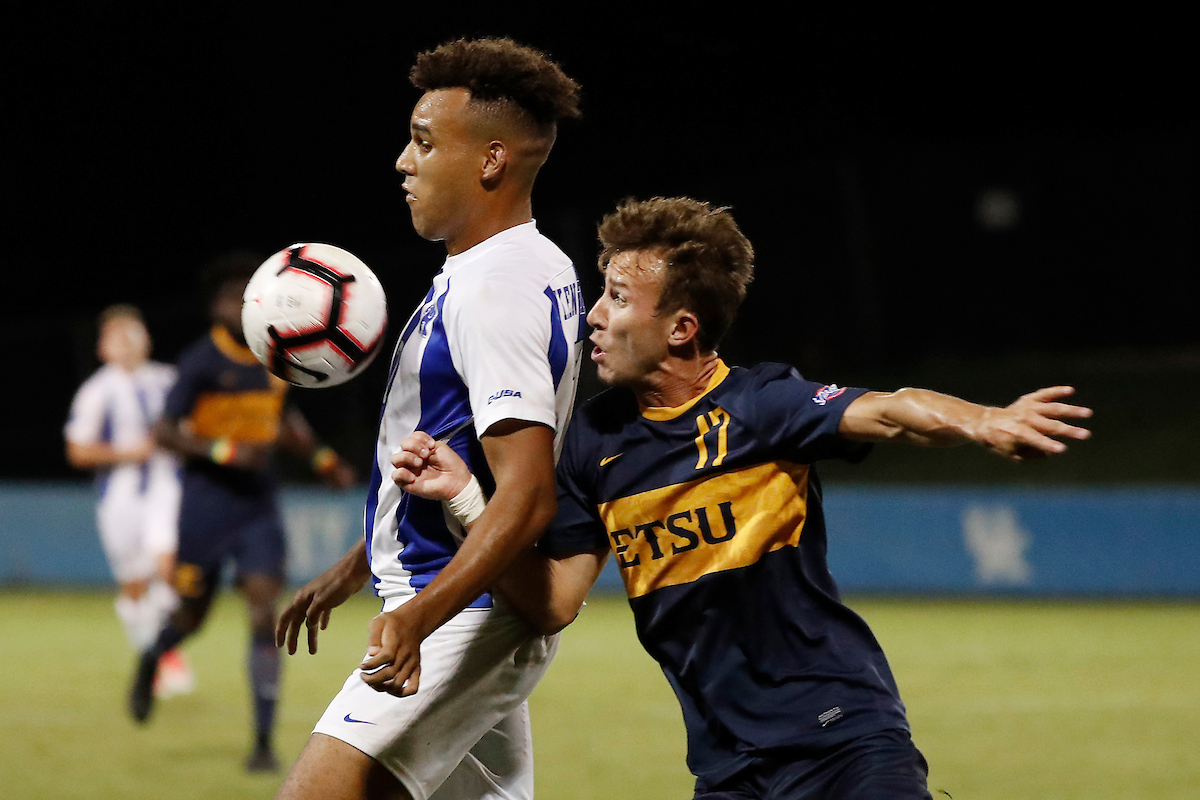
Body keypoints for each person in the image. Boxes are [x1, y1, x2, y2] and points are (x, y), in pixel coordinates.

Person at [392, 196, 1094, 800]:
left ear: (681, 328)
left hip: (843, 738)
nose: (596, 316)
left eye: (619, 298)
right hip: (728, 768)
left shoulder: (760, 406)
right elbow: (554, 602)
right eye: (601, 292)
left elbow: (891, 409)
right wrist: (467, 503)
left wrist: (985, 421)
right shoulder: (590, 443)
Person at [272, 37, 586, 800]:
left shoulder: (496, 290)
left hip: (462, 610)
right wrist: (357, 566)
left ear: (489, 161)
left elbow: (526, 493)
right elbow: (456, 464)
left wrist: (420, 619)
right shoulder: (525, 266)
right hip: (462, 601)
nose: (402, 163)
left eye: (422, 142)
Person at [127, 255, 356, 774]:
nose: (239, 304)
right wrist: (226, 452)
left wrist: (322, 460)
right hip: (205, 507)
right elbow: (164, 432)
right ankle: (150, 659)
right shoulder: (200, 361)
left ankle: (262, 744)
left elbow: (286, 417)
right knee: (190, 618)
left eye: (245, 295)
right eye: (230, 297)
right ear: (216, 306)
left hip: (257, 506)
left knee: (261, 612)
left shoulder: (273, 355)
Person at [65, 304, 195, 697]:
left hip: (165, 489)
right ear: (103, 348)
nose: (127, 343)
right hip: (119, 499)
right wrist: (128, 453)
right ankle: (151, 661)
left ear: (146, 339)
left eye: (133, 333)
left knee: (167, 566)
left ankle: (165, 656)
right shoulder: (96, 391)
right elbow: (78, 451)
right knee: (135, 587)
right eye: (117, 336)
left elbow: (192, 427)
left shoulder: (169, 380)